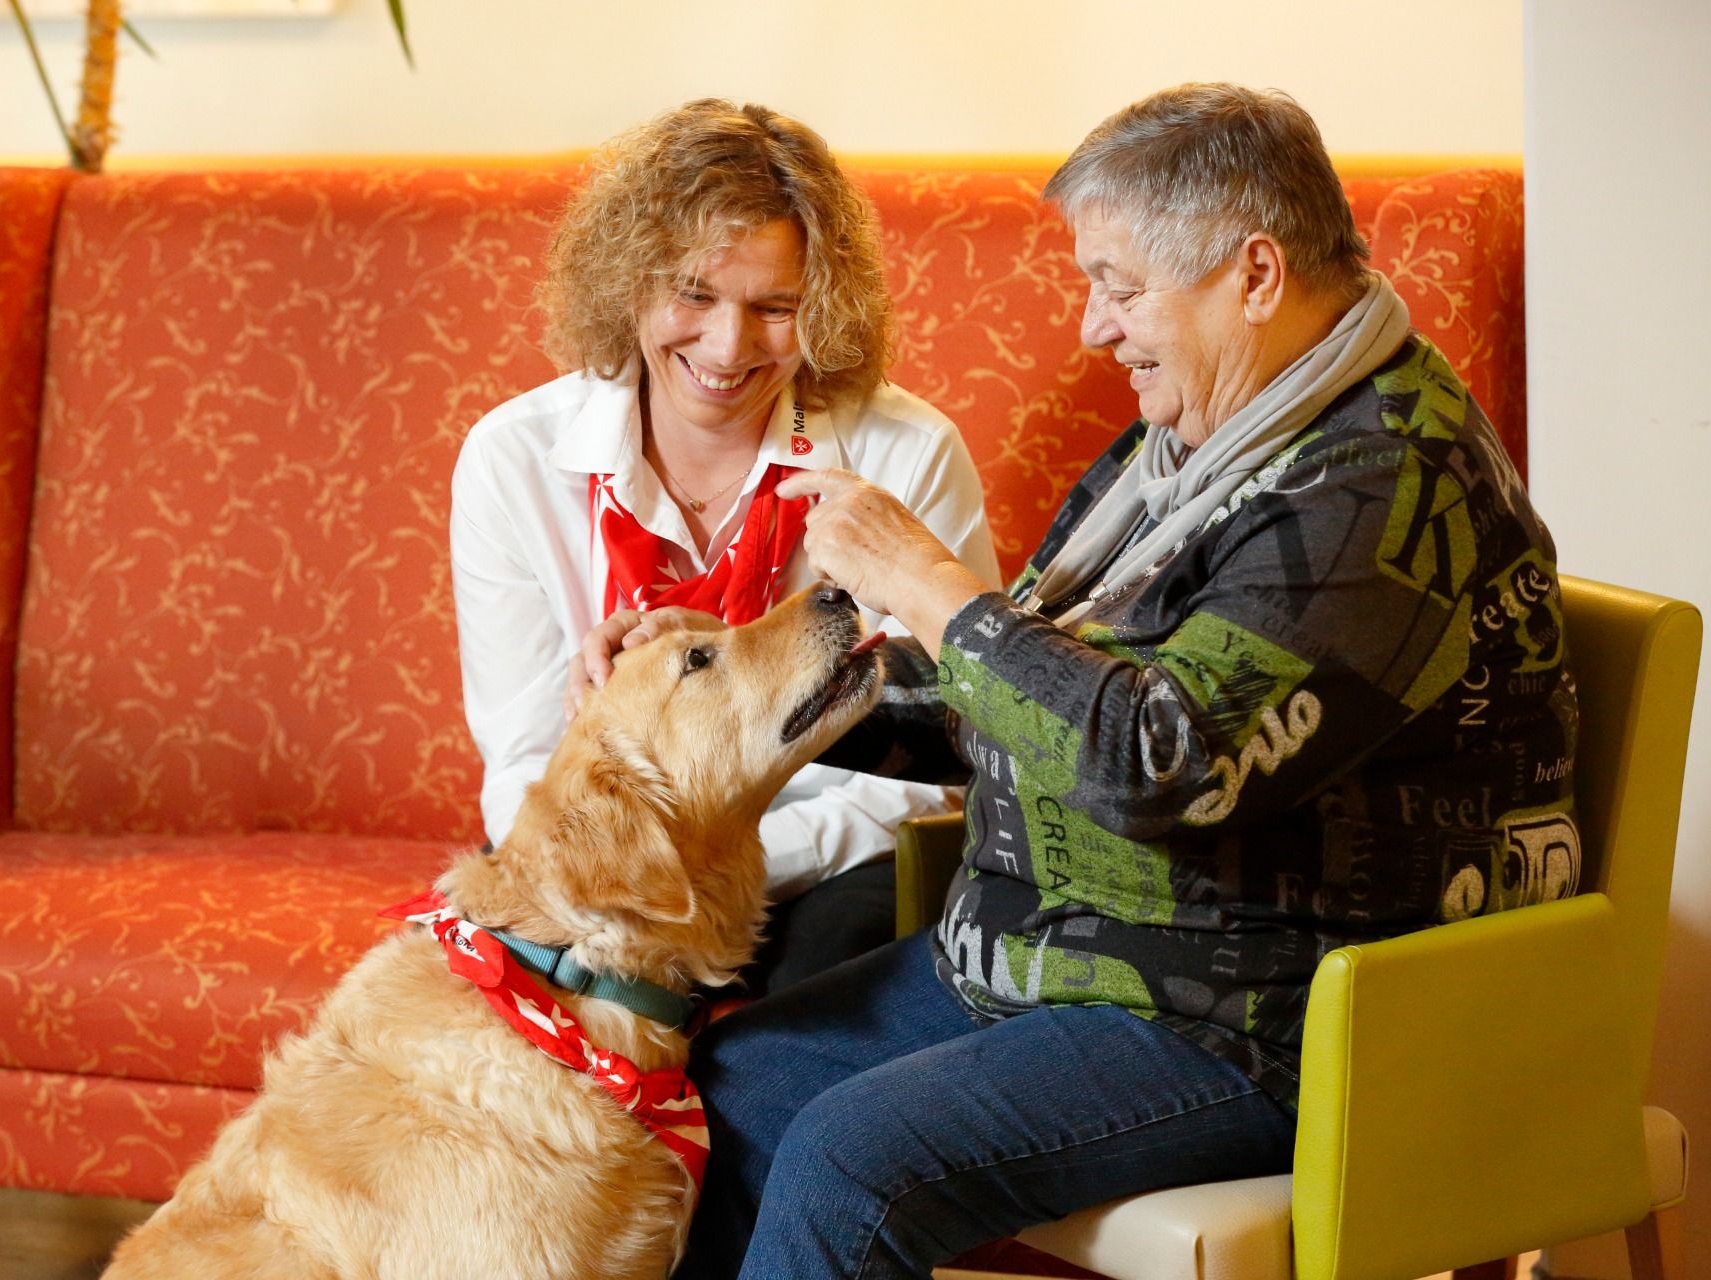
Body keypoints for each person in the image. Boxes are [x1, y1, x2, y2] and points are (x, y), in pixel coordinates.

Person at [635, 84, 1582, 1279]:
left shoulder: (1379, 482)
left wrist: (934, 587)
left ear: (1252, 274)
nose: (1095, 328)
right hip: (1071, 951)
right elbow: (1029, 689)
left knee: (848, 1152)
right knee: (737, 1076)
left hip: (1261, 1013)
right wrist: (763, 692)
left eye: (1121, 287)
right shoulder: (1197, 442)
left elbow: (1159, 761)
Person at [450, 99, 1000, 995]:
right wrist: (643, 881)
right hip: (611, 873)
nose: (727, 345)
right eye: (694, 294)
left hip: (838, 859)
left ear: (821, 306)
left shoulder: (908, 453)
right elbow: (521, 765)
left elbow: (946, 759)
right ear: (627, 280)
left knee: (762, 1039)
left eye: (774, 307)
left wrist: (724, 869)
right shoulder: (513, 459)